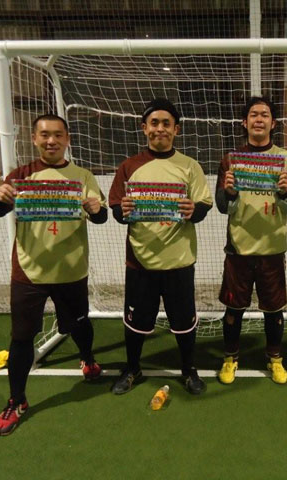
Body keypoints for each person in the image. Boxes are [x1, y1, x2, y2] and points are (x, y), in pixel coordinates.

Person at [0, 114, 107, 435]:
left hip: (71, 270)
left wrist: (97, 210)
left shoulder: (82, 176)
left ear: (67, 139)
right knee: (22, 337)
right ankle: (17, 400)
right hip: (29, 272)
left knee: (79, 323)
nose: (51, 140)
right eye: (44, 135)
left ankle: (88, 359)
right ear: (34, 138)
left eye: (57, 135)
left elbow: (101, 217)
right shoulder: (20, 176)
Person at [109, 98, 212, 395]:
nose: (160, 128)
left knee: (183, 322)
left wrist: (194, 209)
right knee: (136, 321)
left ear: (176, 129)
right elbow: (116, 210)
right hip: (140, 261)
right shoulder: (129, 167)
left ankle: (188, 370)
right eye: (154, 123)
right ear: (144, 128)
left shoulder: (190, 166)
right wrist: (123, 211)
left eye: (167, 123)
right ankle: (132, 368)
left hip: (179, 260)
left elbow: (203, 206)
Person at [216, 96, 287, 385]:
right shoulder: (231, 159)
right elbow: (222, 206)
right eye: (253, 114)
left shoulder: (286, 159)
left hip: (272, 249)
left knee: (274, 310)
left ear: (273, 123)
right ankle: (230, 359)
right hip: (238, 249)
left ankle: (275, 359)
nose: (259, 119)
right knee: (233, 310)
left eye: (265, 115)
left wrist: (285, 192)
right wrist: (229, 193)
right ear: (244, 122)